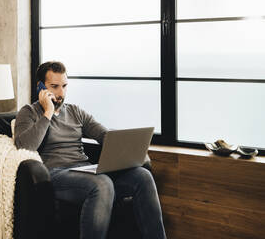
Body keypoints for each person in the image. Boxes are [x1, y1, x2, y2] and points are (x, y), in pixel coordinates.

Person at [14, 61, 166, 239]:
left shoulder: (76, 112)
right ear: (40, 87)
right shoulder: (29, 112)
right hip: (55, 174)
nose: (61, 93)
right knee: (102, 184)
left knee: (142, 176)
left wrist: (133, 151)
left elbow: (105, 135)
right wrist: (47, 112)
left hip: (83, 170)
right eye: (54, 87)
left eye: (64, 86)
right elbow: (25, 145)